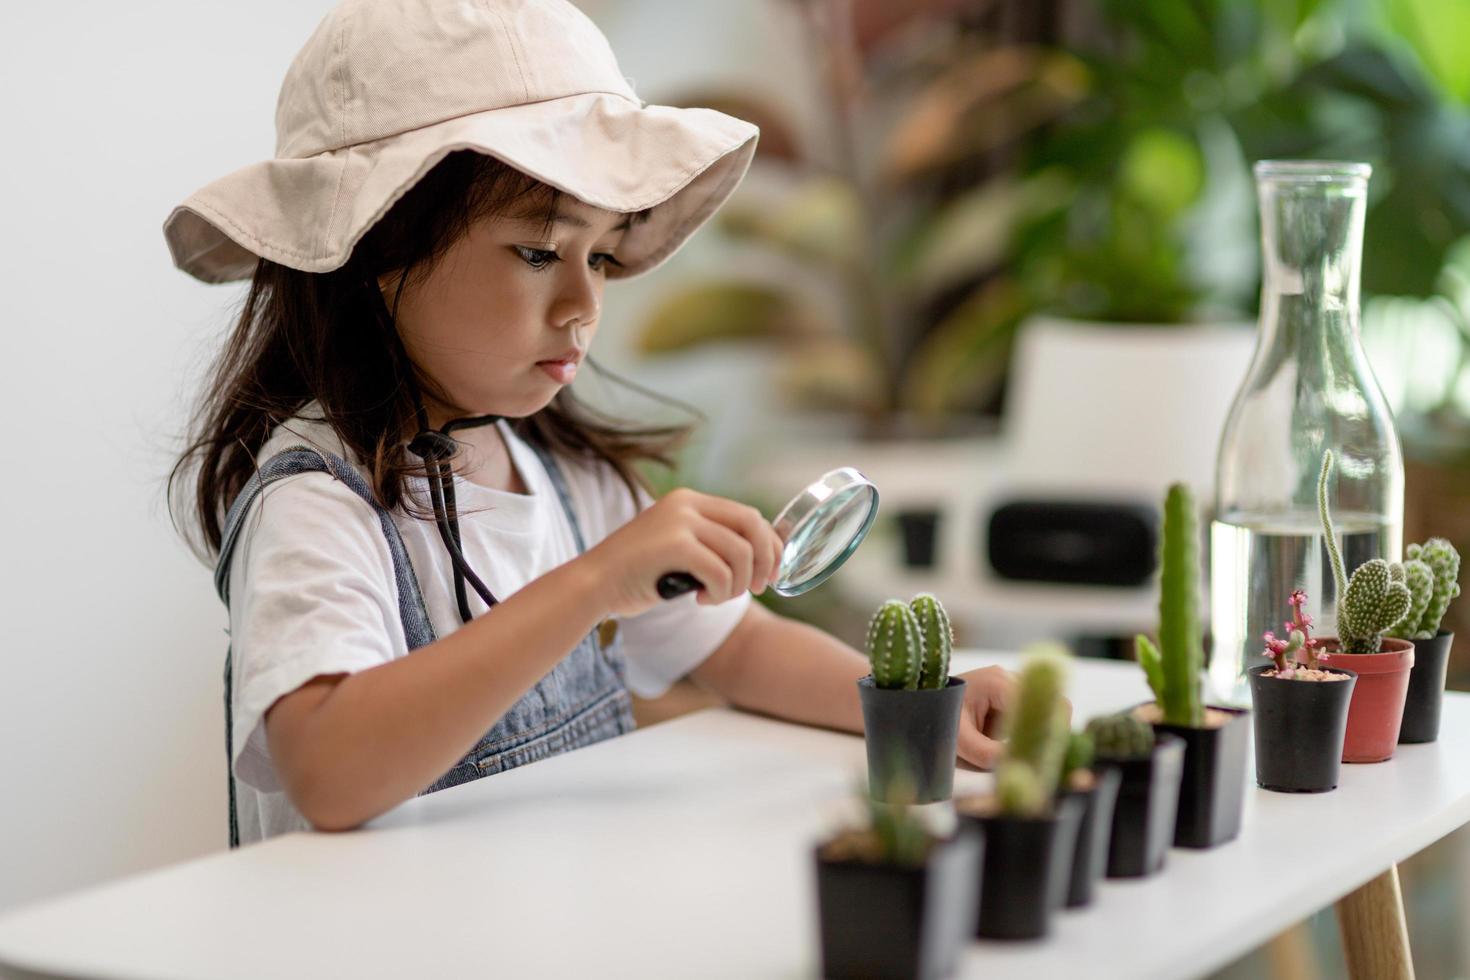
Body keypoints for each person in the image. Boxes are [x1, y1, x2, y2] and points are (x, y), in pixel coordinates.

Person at [166, 0, 1014, 847]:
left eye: (603, 256)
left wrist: (921, 701)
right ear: (379, 249)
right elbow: (331, 771)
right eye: (539, 253)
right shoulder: (319, 501)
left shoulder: (569, 474)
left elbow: (737, 648)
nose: (583, 304)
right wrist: (591, 584)